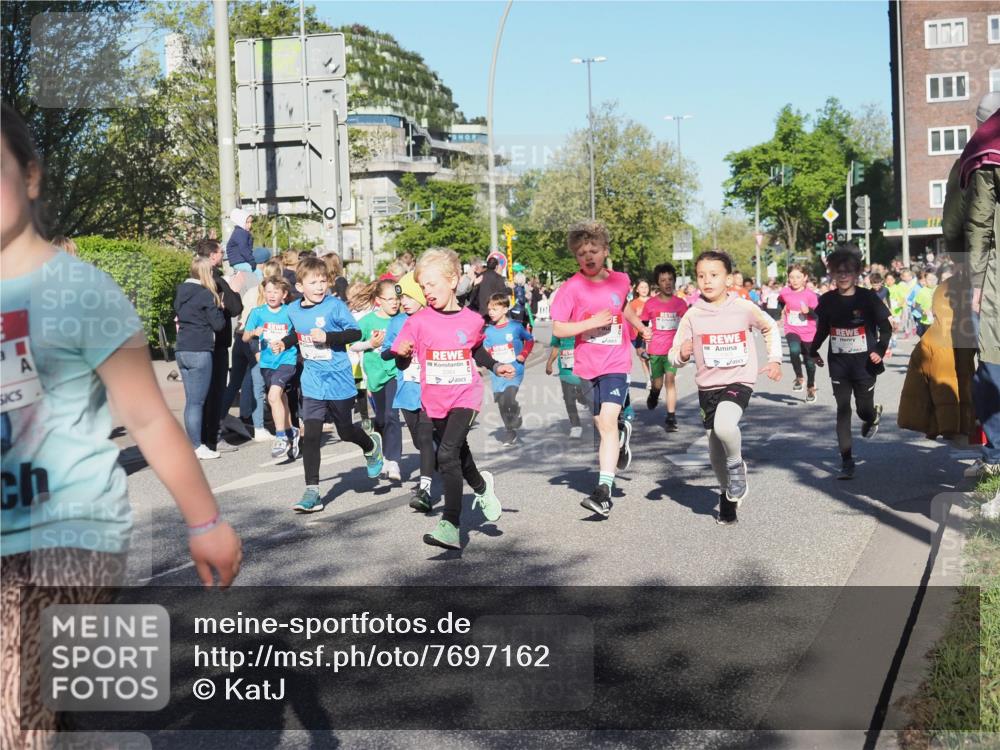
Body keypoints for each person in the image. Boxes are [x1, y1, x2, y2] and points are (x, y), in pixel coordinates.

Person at [1, 102, 241, 746]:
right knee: (39, 705)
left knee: (17, 720)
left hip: (68, 532)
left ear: (29, 177)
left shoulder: (80, 291)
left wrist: (207, 522)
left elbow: (148, 418)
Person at [389, 248, 513, 549]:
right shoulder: (418, 322)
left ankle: (450, 523)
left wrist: (496, 365)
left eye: (431, 284)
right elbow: (402, 360)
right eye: (422, 287)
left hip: (465, 396)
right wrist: (402, 355)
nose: (426, 292)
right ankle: (483, 488)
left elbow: (477, 350)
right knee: (459, 454)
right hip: (434, 399)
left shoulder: (471, 320)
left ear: (453, 279)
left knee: (446, 455)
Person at [669, 250, 782, 525]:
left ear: (728, 279)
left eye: (714, 275)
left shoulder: (743, 307)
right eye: (701, 276)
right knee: (714, 446)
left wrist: (775, 359)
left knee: (724, 427)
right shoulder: (692, 315)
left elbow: (769, 328)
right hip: (707, 387)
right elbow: (674, 354)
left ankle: (737, 465)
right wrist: (682, 353)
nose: (707, 281)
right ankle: (726, 495)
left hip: (738, 381)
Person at [550, 221, 651, 518]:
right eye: (582, 253)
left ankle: (603, 492)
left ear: (605, 251)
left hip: (616, 363)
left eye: (593, 250)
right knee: (603, 424)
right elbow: (558, 326)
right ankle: (621, 429)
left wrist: (640, 326)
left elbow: (624, 308)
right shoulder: (571, 288)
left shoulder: (620, 280)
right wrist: (590, 324)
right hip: (587, 365)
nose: (588, 257)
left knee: (605, 421)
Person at [270, 257, 385, 512]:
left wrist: (329, 337)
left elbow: (355, 333)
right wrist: (284, 343)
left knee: (345, 430)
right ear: (300, 287)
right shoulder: (294, 310)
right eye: (314, 282)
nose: (320, 286)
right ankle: (312, 491)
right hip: (312, 381)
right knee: (310, 435)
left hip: (339, 379)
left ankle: (370, 445)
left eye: (323, 281)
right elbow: (297, 334)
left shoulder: (334, 307)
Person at [809, 247, 893, 480]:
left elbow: (886, 329)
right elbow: (823, 329)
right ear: (832, 274)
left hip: (865, 364)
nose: (843, 276)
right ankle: (847, 461)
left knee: (863, 410)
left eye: (847, 272)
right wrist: (813, 350)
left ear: (856, 273)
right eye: (838, 272)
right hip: (839, 364)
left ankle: (872, 415)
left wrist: (879, 349)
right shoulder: (826, 300)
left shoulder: (868, 298)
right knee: (843, 410)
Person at [963, 103, 1000, 480]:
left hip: (993, 277)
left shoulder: (987, 145)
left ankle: (994, 456)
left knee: (989, 369)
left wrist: (975, 281)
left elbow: (976, 220)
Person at [381, 272, 438, 512]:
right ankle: (439, 456)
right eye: (400, 297)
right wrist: (398, 351)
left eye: (408, 296)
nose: (402, 302)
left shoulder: (435, 318)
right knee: (418, 439)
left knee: (425, 437)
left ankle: (425, 488)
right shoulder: (396, 322)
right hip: (406, 389)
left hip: (430, 390)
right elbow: (384, 353)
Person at [174, 256, 229, 459]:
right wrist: (220, 309)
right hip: (200, 349)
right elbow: (219, 326)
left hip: (182, 349)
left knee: (191, 401)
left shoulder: (181, 292)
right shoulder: (206, 295)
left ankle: (193, 443)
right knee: (197, 402)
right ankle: (198, 446)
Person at [193, 238, 243, 454]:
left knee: (197, 398)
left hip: (194, 345)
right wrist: (234, 289)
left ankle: (197, 441)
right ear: (213, 256)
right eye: (220, 252)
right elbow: (234, 308)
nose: (222, 256)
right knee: (215, 393)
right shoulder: (216, 280)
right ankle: (213, 437)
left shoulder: (189, 282)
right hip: (216, 344)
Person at [244, 276, 301, 461]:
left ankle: (281, 437)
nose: (271, 295)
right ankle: (291, 431)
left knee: (273, 396)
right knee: (281, 398)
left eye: (276, 292)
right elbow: (245, 337)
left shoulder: (290, 312)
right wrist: (254, 332)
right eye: (268, 291)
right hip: (267, 363)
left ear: (284, 294)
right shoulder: (257, 312)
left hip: (287, 360)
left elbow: (299, 333)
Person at [352, 279, 404, 481]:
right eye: (389, 299)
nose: (395, 303)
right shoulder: (367, 321)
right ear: (378, 300)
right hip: (374, 376)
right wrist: (369, 344)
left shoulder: (400, 320)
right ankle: (381, 451)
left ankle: (394, 461)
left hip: (395, 372)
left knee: (392, 415)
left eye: (397, 298)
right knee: (381, 419)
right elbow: (353, 345)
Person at [641, 262, 688, 430]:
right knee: (658, 384)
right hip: (655, 350)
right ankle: (654, 393)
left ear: (674, 281)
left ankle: (670, 417)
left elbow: (688, 324)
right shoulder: (650, 304)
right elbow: (643, 325)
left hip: (672, 351)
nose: (667, 283)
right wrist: (641, 342)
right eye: (663, 280)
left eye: (670, 279)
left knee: (670, 380)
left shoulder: (680, 304)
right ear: (658, 283)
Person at [483, 293, 534, 445]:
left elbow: (529, 340)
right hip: (497, 373)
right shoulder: (488, 332)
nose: (491, 312)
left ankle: (515, 409)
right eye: (489, 309)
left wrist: (523, 354)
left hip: (514, 369)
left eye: (495, 309)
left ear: (505, 309)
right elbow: (485, 351)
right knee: (501, 402)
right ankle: (509, 430)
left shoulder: (515, 327)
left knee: (509, 397)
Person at [778, 264, 820, 402]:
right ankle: (799, 377)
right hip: (792, 328)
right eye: (791, 277)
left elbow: (817, 316)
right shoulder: (785, 291)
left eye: (798, 277)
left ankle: (811, 387)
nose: (794, 280)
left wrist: (809, 311)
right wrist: (781, 312)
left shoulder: (811, 295)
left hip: (808, 331)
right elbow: (780, 300)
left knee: (809, 362)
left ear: (805, 278)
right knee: (794, 350)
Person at [546, 333, 592, 439]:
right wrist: (549, 363)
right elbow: (556, 347)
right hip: (565, 371)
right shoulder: (559, 328)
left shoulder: (582, 324)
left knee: (588, 398)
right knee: (568, 399)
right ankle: (576, 426)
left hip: (583, 370)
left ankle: (596, 417)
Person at [629, 278, 652, 381]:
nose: (644, 289)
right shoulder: (633, 303)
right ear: (637, 289)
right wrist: (637, 316)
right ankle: (648, 379)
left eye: (646, 287)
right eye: (641, 287)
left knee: (653, 358)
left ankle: (655, 377)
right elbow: (628, 319)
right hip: (638, 335)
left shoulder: (654, 301)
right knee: (643, 358)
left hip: (652, 334)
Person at [226, 208, 255, 273]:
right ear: (240, 222)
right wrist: (251, 260)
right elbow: (244, 248)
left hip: (240, 260)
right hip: (239, 261)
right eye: (247, 222)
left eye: (251, 222)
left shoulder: (242, 232)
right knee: (257, 273)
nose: (250, 225)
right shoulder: (240, 233)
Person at [913, 272, 938, 337]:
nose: (932, 281)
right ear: (925, 280)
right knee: (928, 336)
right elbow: (916, 305)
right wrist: (923, 311)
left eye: (934, 279)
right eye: (929, 279)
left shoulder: (940, 289)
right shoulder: (922, 291)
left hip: (939, 318)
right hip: (926, 319)